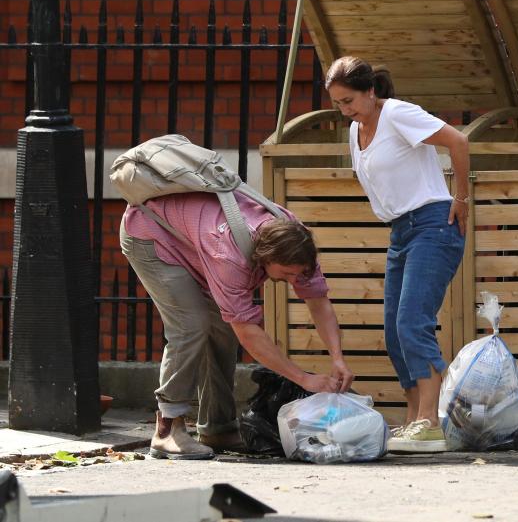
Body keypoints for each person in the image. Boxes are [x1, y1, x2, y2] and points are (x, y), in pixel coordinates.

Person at [119, 191, 355, 460]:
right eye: (287, 273)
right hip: (152, 233)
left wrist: (338, 359)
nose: (294, 280)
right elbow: (248, 332)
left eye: (298, 273)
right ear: (263, 259)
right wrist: (303, 378)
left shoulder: (295, 240)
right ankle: (167, 429)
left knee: (221, 330)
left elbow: (318, 301)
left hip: (194, 236)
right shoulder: (230, 257)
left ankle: (217, 428)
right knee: (192, 325)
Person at [325, 56, 469, 453]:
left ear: (371, 91)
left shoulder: (399, 114)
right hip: (401, 230)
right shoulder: (356, 130)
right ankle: (412, 419)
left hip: (434, 223)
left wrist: (461, 199)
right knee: (393, 330)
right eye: (338, 103)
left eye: (350, 100)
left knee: (412, 322)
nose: (345, 110)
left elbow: (458, 140)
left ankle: (431, 420)